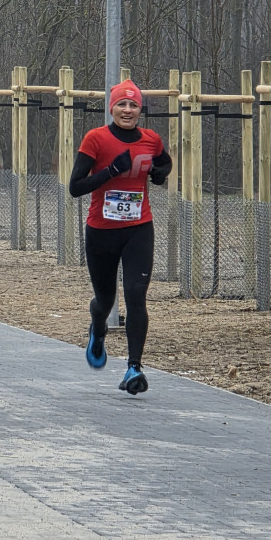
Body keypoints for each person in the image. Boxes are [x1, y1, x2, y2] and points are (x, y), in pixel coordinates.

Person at [68, 79, 172, 395]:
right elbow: (75, 187)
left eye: (134, 105)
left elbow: (163, 163)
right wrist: (111, 171)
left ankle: (133, 368)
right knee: (105, 300)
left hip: (139, 228)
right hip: (101, 231)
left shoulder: (150, 139)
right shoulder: (96, 139)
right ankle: (97, 329)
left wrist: (159, 174)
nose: (128, 110)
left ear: (141, 109)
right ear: (111, 107)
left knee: (136, 294)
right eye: (122, 104)